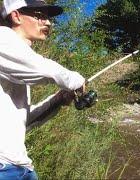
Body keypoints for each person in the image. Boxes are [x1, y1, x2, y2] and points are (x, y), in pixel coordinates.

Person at [0, 0, 86, 179]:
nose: (48, 23)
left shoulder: (18, 58)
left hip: (21, 167)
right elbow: (43, 69)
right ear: (16, 16)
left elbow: (26, 120)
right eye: (40, 16)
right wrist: (75, 80)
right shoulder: (2, 38)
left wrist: (58, 100)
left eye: (48, 18)